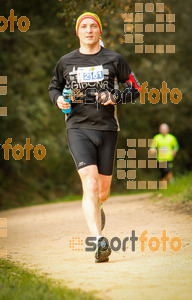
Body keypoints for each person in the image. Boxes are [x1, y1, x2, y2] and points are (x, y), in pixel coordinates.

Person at [48, 12, 140, 262]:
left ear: (100, 31)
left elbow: (135, 89)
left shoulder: (114, 59)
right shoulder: (66, 62)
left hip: (108, 128)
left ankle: (98, 207)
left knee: (102, 192)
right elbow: (54, 87)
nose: (88, 30)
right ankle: (99, 242)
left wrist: (116, 97)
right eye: (84, 27)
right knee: (89, 183)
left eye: (93, 26)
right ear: (77, 32)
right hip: (77, 128)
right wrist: (58, 100)